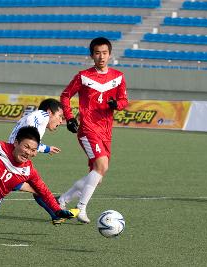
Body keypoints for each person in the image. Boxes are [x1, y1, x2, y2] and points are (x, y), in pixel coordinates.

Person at [58, 37, 128, 223]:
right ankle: (80, 208)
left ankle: (63, 199)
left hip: (106, 131)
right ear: (91, 55)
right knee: (101, 166)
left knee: (97, 177)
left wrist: (117, 104)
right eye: (97, 53)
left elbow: (124, 101)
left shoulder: (118, 77)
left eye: (104, 53)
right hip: (88, 128)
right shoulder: (83, 76)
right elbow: (65, 96)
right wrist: (70, 117)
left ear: (110, 54)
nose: (101, 57)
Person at [0, 98, 66, 226]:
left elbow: (31, 141)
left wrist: (45, 148)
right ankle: (57, 213)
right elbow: (30, 138)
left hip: (12, 164)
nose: (61, 121)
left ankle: (56, 214)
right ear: (50, 112)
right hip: (8, 167)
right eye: (60, 116)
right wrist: (44, 148)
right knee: (37, 189)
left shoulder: (39, 121)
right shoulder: (42, 116)